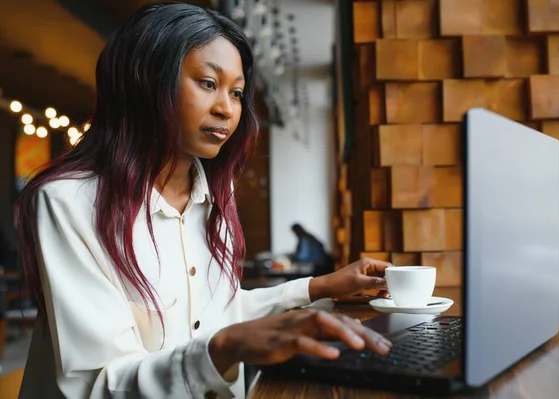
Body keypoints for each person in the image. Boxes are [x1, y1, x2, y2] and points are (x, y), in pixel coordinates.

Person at [14, 3, 391, 398]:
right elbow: (96, 385)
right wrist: (223, 348)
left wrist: (318, 287)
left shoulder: (213, 189)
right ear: (146, 81)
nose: (227, 109)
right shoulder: (68, 202)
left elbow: (215, 314)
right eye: (208, 83)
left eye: (237, 92)